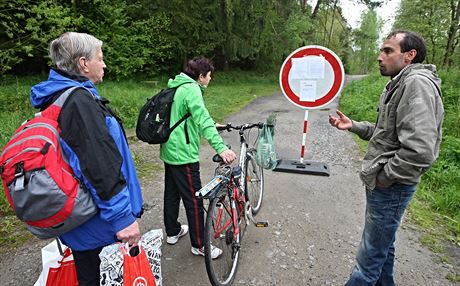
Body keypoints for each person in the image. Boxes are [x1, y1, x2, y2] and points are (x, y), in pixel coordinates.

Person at [329, 30, 444, 286]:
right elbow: (387, 134)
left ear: (409, 55)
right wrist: (354, 126)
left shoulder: (417, 85)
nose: (380, 57)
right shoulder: (399, 83)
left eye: (388, 51)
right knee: (384, 247)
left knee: (367, 261)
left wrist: (385, 177)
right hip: (387, 184)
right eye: (382, 50)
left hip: (392, 187)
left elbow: (420, 150)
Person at [30, 32, 143, 286]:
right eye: (100, 59)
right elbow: (98, 165)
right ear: (83, 64)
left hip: (82, 221)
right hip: (99, 224)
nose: (104, 64)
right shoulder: (79, 102)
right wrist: (122, 220)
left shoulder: (60, 97)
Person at [160, 57, 236, 259]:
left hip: (170, 150)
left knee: (172, 193)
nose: (210, 79)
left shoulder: (177, 85)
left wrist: (213, 123)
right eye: (209, 76)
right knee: (195, 200)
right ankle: (200, 245)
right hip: (183, 154)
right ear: (201, 76)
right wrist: (221, 148)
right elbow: (201, 121)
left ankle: (173, 231)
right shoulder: (192, 89)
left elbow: (189, 115)